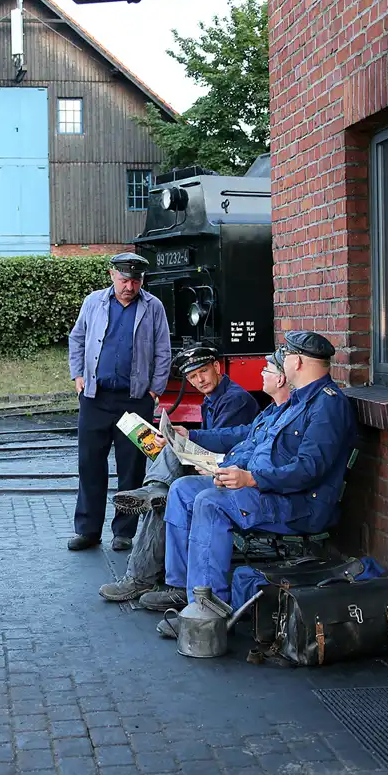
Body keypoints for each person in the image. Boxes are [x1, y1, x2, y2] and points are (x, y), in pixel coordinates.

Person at [138, 331, 358, 621]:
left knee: (210, 502)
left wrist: (251, 479)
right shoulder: (300, 401)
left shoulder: (327, 405)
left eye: (286, 355)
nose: (281, 361)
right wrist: (224, 465)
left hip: (300, 504)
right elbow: (252, 442)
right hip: (273, 491)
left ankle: (209, 609)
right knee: (182, 489)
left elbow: (308, 470)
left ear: (299, 362)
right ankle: (181, 587)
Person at [98, 343, 261, 602]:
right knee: (164, 494)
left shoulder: (235, 399)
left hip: (231, 474)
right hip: (221, 467)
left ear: (217, 368)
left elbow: (230, 444)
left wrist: (190, 440)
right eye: (193, 377)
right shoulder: (217, 397)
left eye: (203, 372)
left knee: (167, 493)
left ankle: (140, 578)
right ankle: (155, 494)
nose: (199, 380)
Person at [67, 252, 171, 552]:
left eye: (135, 281)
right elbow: (78, 338)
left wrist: (154, 391)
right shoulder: (93, 302)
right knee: (89, 465)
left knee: (132, 468)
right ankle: (87, 530)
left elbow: (163, 351)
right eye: (124, 280)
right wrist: (78, 375)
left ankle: (123, 532)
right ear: (112, 275)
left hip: (136, 400)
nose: (129, 287)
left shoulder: (153, 307)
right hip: (95, 399)